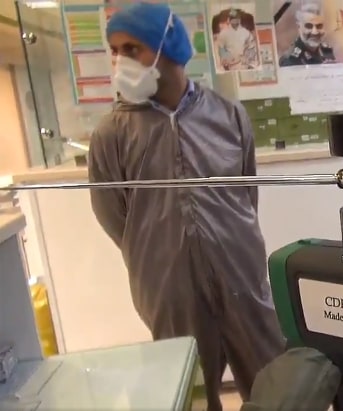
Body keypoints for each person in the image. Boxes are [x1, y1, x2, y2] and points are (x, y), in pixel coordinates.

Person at [89, 4, 285, 410]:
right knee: (188, 389)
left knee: (273, 378)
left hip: (240, 269)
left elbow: (246, 194)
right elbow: (113, 215)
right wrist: (157, 251)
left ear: (169, 45)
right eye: (115, 50)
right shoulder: (112, 132)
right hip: (165, 282)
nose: (120, 61)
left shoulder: (228, 114)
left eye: (132, 48)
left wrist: (228, 240)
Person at [278, 2, 335, 67]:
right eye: (309, 26)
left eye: (319, 26)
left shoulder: (327, 51)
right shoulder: (290, 60)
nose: (315, 32)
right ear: (299, 27)